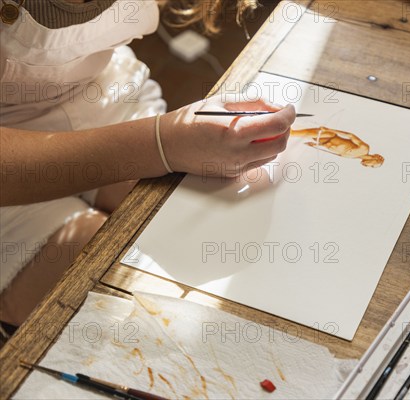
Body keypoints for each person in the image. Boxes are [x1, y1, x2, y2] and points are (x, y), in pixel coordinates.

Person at [0, 0, 296, 329]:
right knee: (125, 310)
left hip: (99, 95)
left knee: (234, 212)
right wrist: (161, 144)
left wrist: (170, 143)